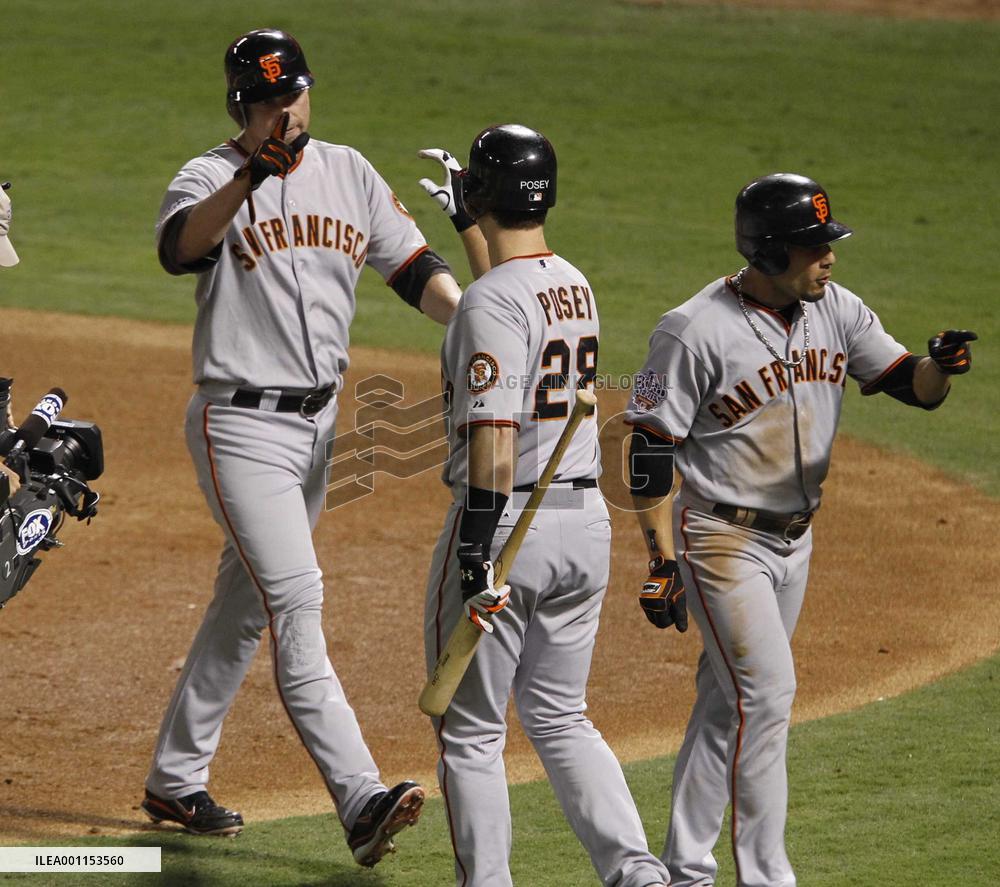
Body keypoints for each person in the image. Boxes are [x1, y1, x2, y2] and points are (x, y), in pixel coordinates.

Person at [143, 28, 466, 867]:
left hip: (320, 428)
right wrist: (252, 175)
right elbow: (179, 248)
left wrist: (474, 319)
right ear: (239, 109)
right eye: (264, 103)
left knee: (244, 603)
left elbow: (413, 266)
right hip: (239, 426)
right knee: (296, 599)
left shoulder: (349, 171)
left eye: (292, 96)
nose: (283, 113)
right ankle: (360, 798)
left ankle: (175, 778)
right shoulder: (209, 176)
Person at [625, 172, 977, 887]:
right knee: (766, 696)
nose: (830, 257)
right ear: (769, 251)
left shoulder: (836, 309)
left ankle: (685, 870)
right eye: (814, 246)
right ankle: (767, 877)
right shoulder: (692, 330)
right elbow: (648, 448)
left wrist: (940, 366)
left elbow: (910, 384)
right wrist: (662, 559)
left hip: (795, 539)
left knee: (726, 702)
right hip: (721, 539)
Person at [417, 124, 669, 887]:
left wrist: (475, 551)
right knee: (560, 714)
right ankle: (638, 873)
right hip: (582, 527)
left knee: (470, 731)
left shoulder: (490, 301)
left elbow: (494, 436)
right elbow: (507, 303)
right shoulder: (574, 282)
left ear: (480, 193)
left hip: (508, 526)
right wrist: (469, 225)